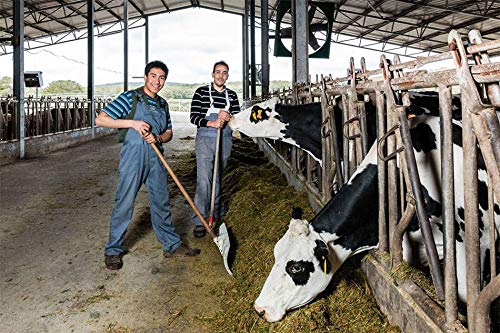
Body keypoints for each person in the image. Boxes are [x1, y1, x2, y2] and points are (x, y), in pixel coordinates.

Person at [96, 60, 200, 270]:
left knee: (161, 201)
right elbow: (102, 119)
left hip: (156, 156)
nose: (157, 81)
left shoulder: (163, 104)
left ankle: (171, 244)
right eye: (153, 76)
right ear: (145, 77)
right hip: (134, 156)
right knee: (125, 202)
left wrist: (158, 138)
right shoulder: (130, 98)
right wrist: (132, 123)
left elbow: (169, 133)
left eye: (161, 78)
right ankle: (113, 250)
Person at [190, 60, 240, 238]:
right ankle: (200, 220)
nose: (221, 75)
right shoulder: (201, 92)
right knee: (204, 180)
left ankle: (214, 215)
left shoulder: (232, 96)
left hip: (224, 139)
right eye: (218, 72)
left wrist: (229, 117)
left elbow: (236, 118)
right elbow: (194, 117)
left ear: (227, 75)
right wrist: (211, 122)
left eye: (224, 72)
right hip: (205, 139)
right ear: (212, 74)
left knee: (218, 178)